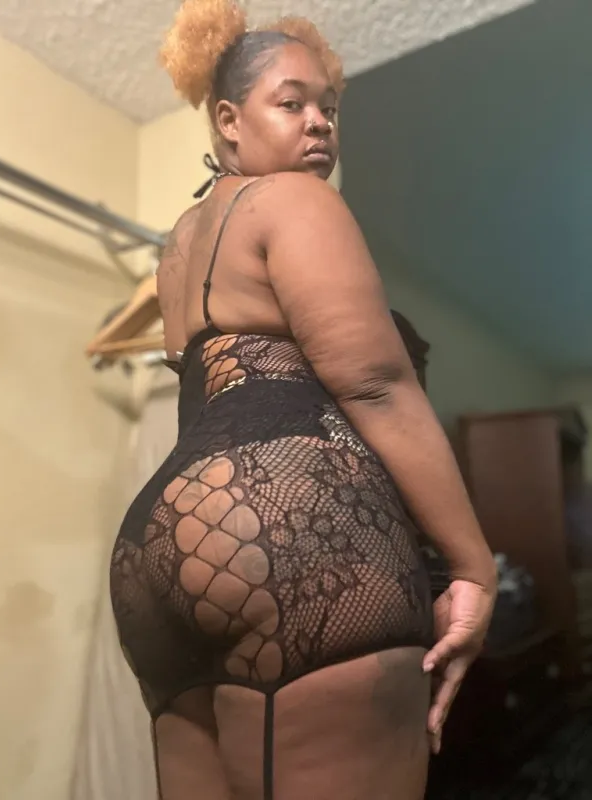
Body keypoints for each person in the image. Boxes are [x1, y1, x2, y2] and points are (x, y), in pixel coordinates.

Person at [109, 1, 497, 798]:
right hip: (288, 527)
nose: (320, 122)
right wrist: (472, 567)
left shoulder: (180, 247)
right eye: (292, 103)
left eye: (329, 108)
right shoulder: (294, 199)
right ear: (229, 119)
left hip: (156, 551)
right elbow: (375, 383)